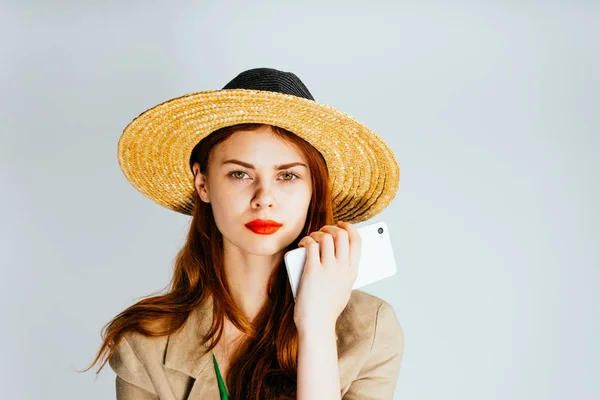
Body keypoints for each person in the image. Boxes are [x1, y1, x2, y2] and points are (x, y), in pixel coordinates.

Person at [79, 67, 404, 399]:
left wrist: (317, 327)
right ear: (202, 183)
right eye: (239, 174)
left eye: (288, 176)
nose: (264, 198)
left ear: (314, 189)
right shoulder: (145, 343)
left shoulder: (369, 329)